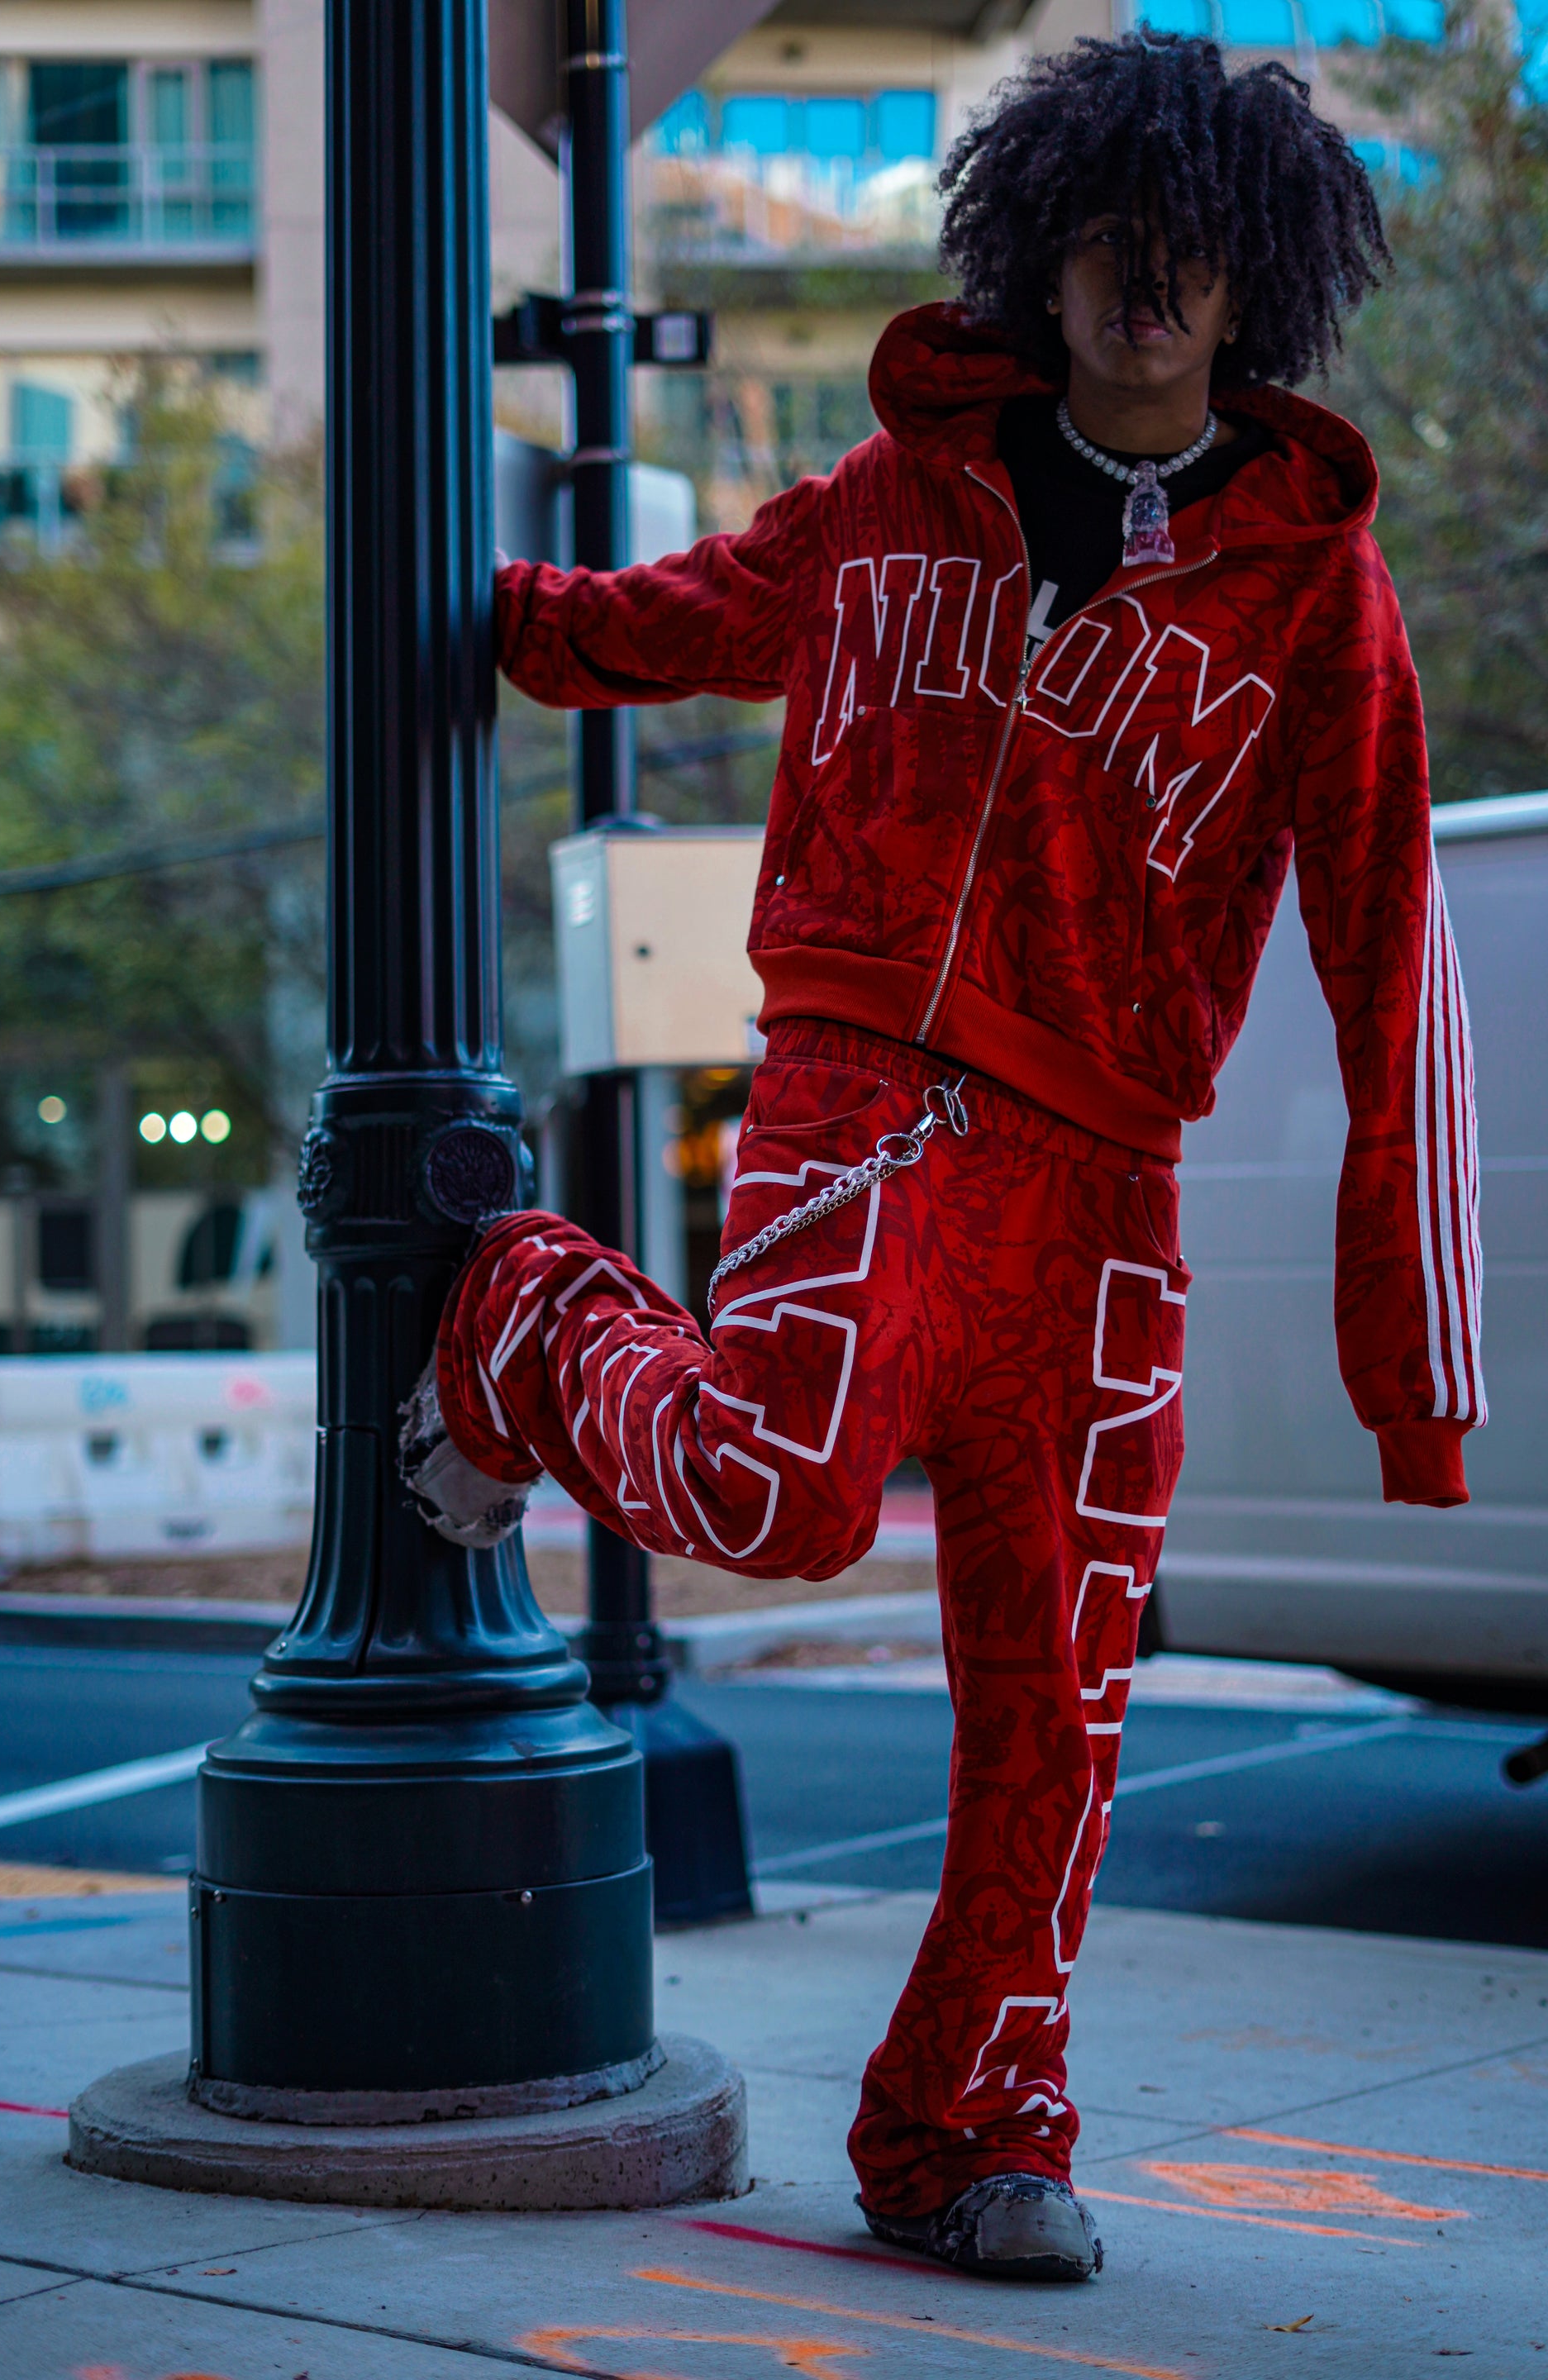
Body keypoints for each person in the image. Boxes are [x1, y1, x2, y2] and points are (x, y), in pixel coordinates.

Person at [399, 32, 1484, 2282]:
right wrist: (475, 617)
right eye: (1113, 239)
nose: (1150, 286)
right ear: (1046, 250)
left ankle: (973, 2133)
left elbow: (1398, 969)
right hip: (859, 1105)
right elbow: (667, 619)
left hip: (1109, 1190)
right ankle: (525, 1308)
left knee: (1059, 1697)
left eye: (1196, 251)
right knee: (780, 1497)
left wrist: (1414, 1362)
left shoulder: (1314, 598)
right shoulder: (899, 491)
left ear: (1255, 279)